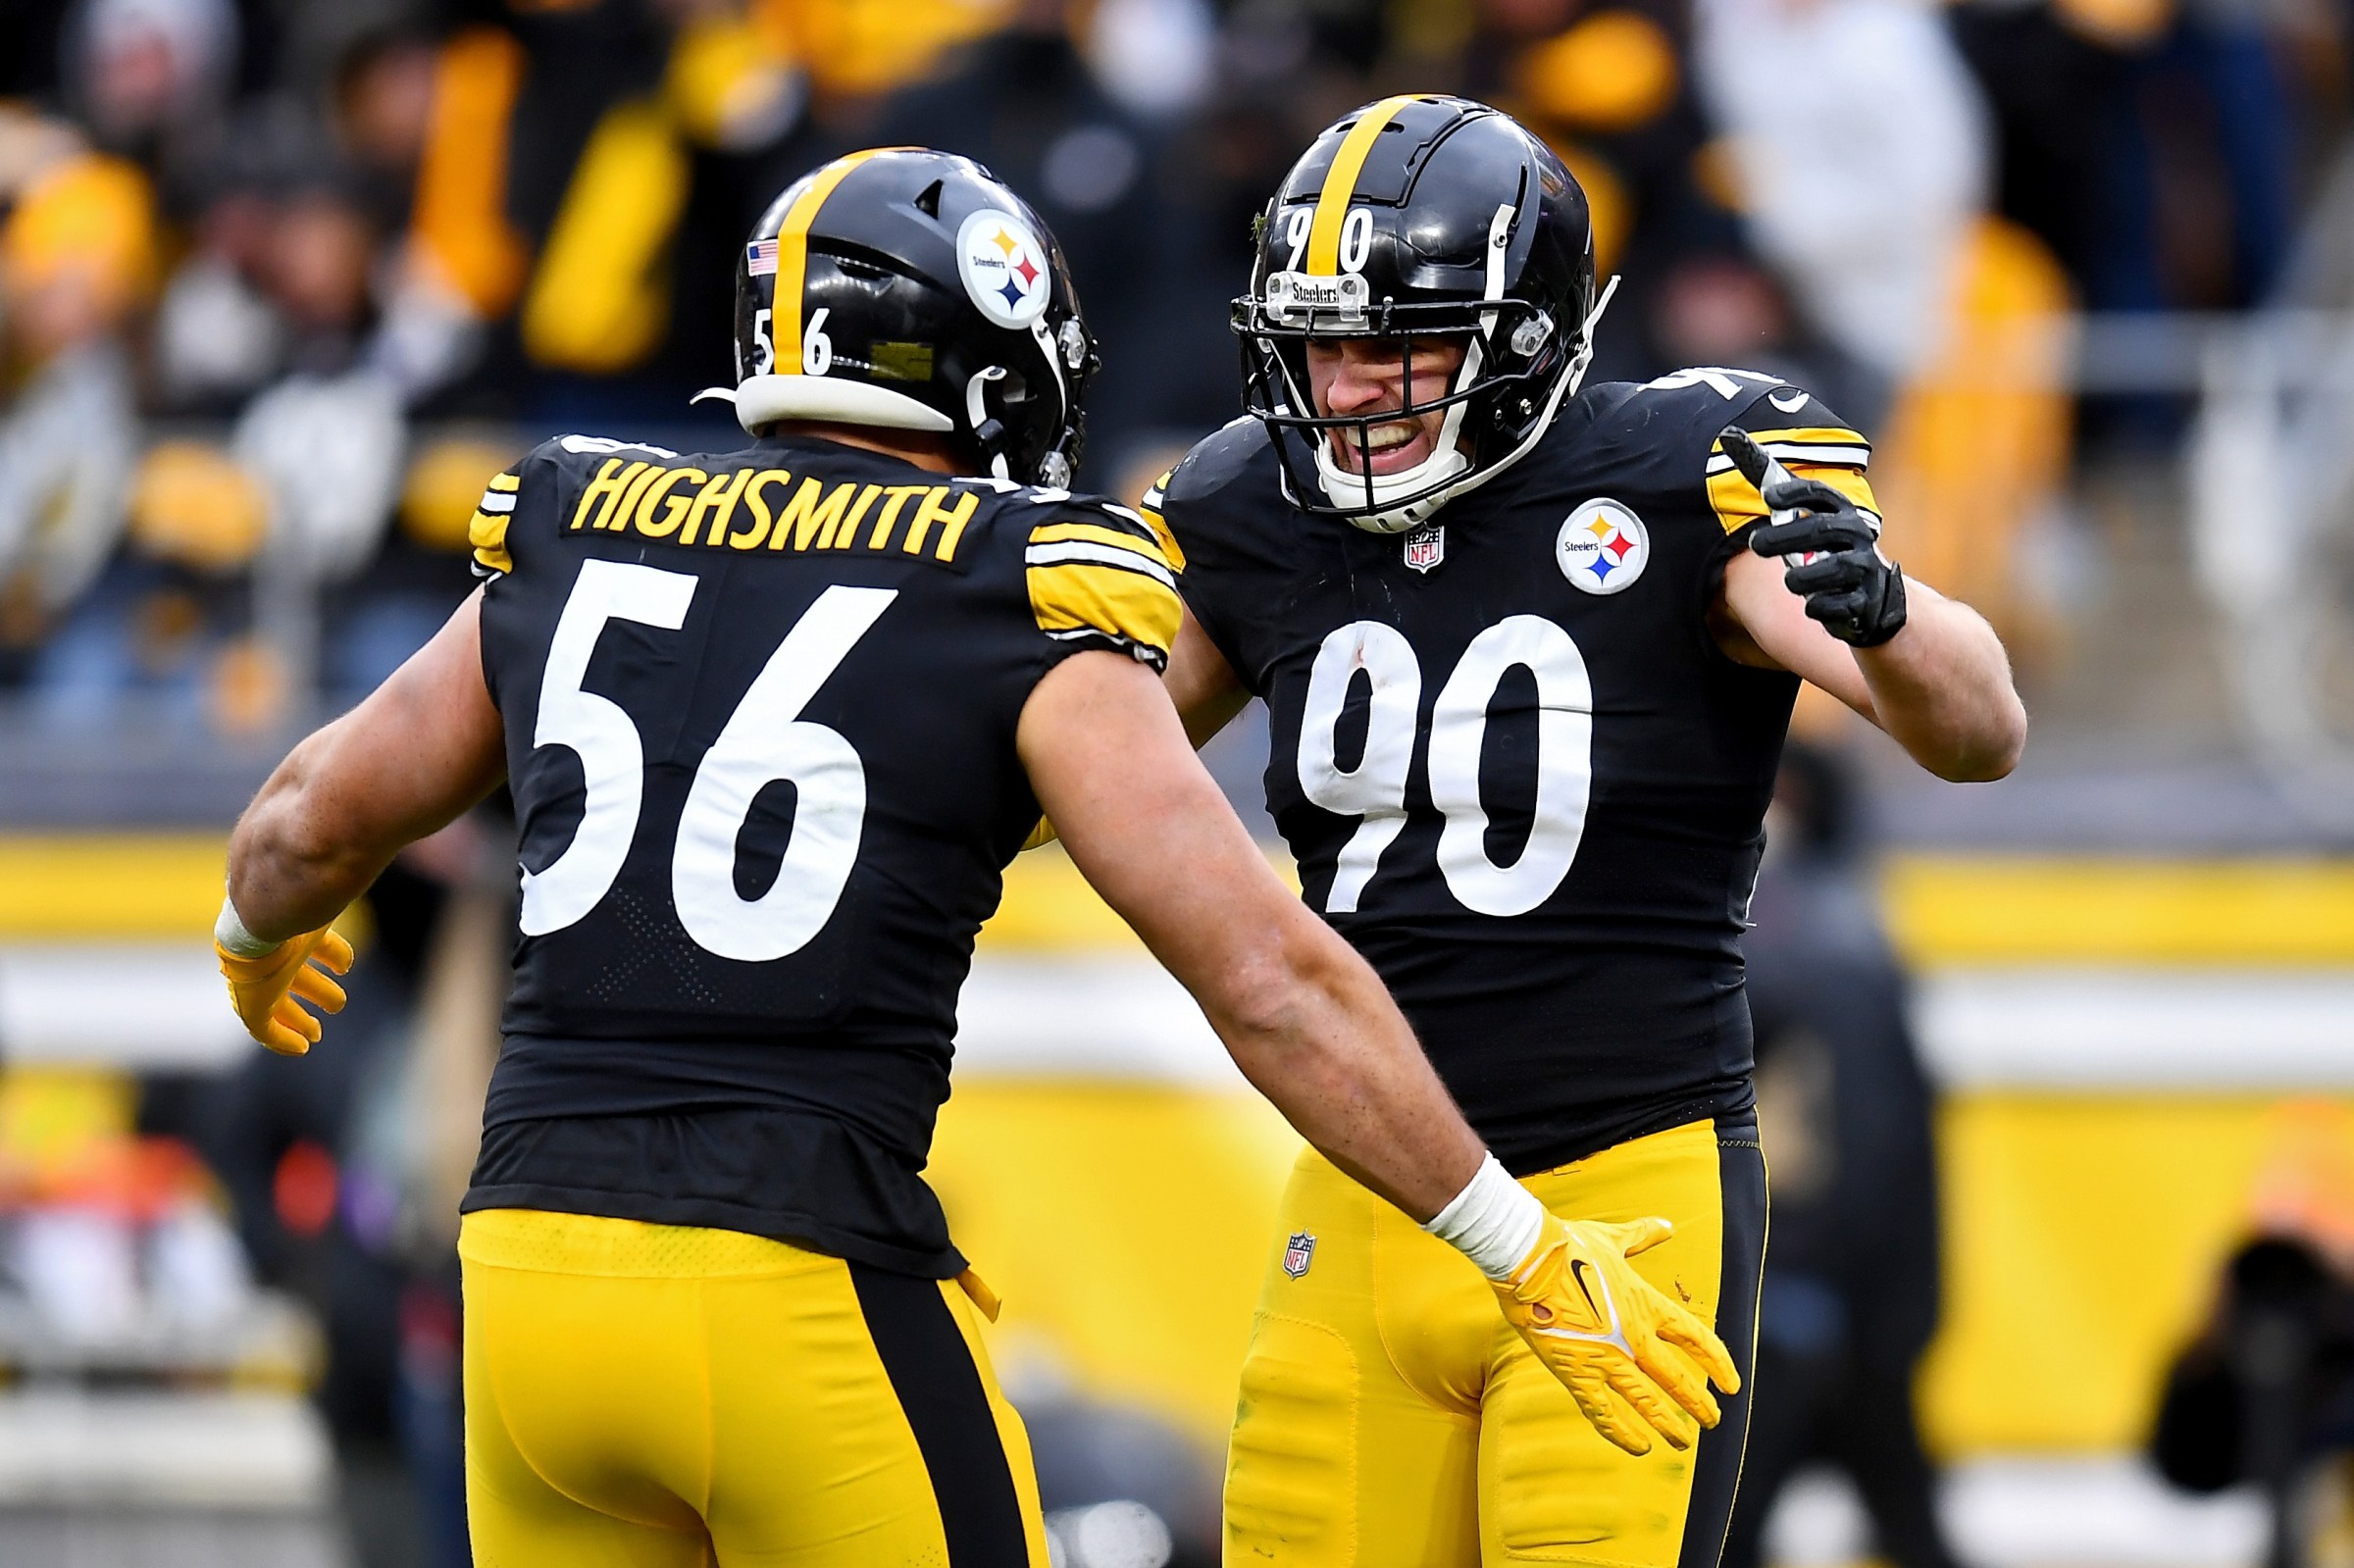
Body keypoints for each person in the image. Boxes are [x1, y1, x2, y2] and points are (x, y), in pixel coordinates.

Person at [212, 147, 1738, 1567]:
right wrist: (1518, 1239)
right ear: (989, 364)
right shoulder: (1013, 586)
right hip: (796, 1277)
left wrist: (254, 938)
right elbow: (1269, 979)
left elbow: (305, 817)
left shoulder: (584, 521)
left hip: (527, 1286)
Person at [1147, 95, 2027, 1566]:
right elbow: (1074, 773)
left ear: (1532, 339)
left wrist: (1888, 615)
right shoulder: (1251, 505)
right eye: (1321, 343)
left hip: (1629, 1192)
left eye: (1394, 344)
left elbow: (1978, 733)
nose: (1347, 386)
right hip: (1370, 1198)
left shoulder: (1689, 473)